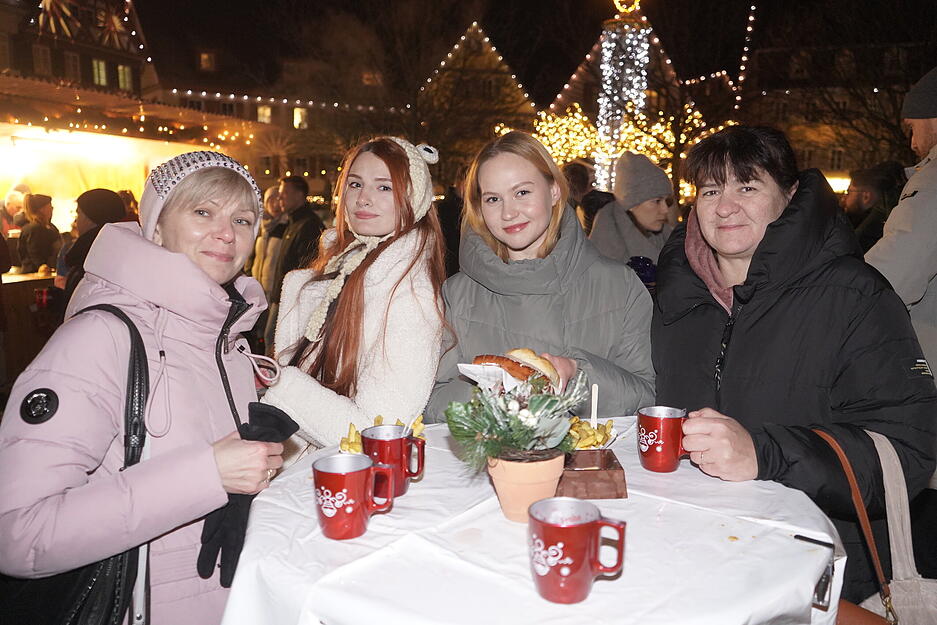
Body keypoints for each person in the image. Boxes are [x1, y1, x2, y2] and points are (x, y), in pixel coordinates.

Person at [652, 125, 937, 603]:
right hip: (697, 560)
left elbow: (907, 451)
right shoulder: (678, 299)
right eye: (711, 190)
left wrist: (765, 454)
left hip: (822, 574)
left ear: (789, 195)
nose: (725, 207)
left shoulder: (854, 295)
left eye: (747, 187)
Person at [0, 151, 285, 624]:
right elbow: (18, 533)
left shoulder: (228, 342)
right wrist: (207, 474)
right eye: (202, 212)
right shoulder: (99, 338)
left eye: (242, 219)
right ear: (155, 228)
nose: (226, 233)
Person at [426, 131, 655, 421]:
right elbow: (434, 401)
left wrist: (577, 375)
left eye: (522, 192)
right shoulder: (457, 294)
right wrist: (494, 398)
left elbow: (645, 397)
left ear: (554, 191)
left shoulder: (620, 285)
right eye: (493, 198)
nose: (508, 213)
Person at [261, 137, 446, 453]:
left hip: (343, 475)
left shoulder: (409, 296)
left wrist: (279, 384)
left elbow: (377, 433)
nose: (363, 199)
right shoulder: (342, 266)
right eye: (355, 184)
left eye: (384, 187)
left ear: (414, 198)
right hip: (305, 467)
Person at [263, 175, 325, 354]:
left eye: (284, 194)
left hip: (291, 300)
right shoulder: (293, 222)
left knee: (275, 343)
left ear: (299, 195)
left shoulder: (309, 225)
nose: (280, 199)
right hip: (280, 295)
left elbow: (308, 267)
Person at [590, 152, 674, 265]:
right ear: (631, 204)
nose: (665, 209)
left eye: (667, 201)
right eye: (657, 201)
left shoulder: (666, 238)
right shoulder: (605, 251)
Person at [57, 188, 127, 314]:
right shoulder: (119, 247)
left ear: (90, 216)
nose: (76, 221)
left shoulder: (88, 252)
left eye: (78, 214)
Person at [843, 162, 906, 252]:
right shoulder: (892, 219)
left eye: (849, 192)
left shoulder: (864, 237)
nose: (844, 198)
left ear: (866, 196)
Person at [17, 193, 61, 273]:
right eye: (50, 206)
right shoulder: (34, 229)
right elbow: (34, 251)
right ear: (42, 209)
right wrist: (41, 265)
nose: (52, 209)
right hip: (35, 273)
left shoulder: (51, 227)